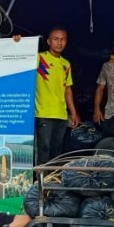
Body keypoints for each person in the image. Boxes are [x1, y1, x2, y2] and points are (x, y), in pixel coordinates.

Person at [15, 28, 80, 164]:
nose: (59, 43)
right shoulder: (39, 58)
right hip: (43, 113)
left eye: (62, 39)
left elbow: (67, 89)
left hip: (61, 115)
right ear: (49, 42)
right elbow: (19, 57)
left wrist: (73, 112)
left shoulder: (65, 64)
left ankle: (52, 180)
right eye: (56, 39)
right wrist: (18, 42)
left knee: (56, 151)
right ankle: (41, 182)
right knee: (43, 149)